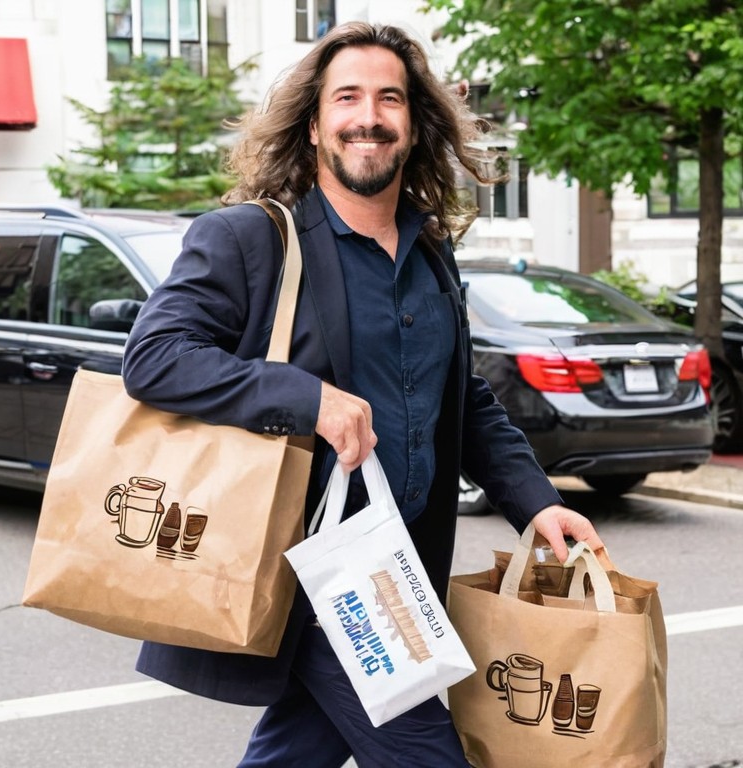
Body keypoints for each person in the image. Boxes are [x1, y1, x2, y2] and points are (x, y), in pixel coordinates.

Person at [122, 21, 606, 768]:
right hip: (319, 576)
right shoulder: (251, 240)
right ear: (316, 125)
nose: (369, 115)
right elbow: (154, 359)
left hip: (398, 566)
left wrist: (536, 501)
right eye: (347, 97)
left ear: (413, 126)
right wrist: (305, 396)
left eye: (390, 99)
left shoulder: (430, 253)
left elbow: (462, 398)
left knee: (293, 753)